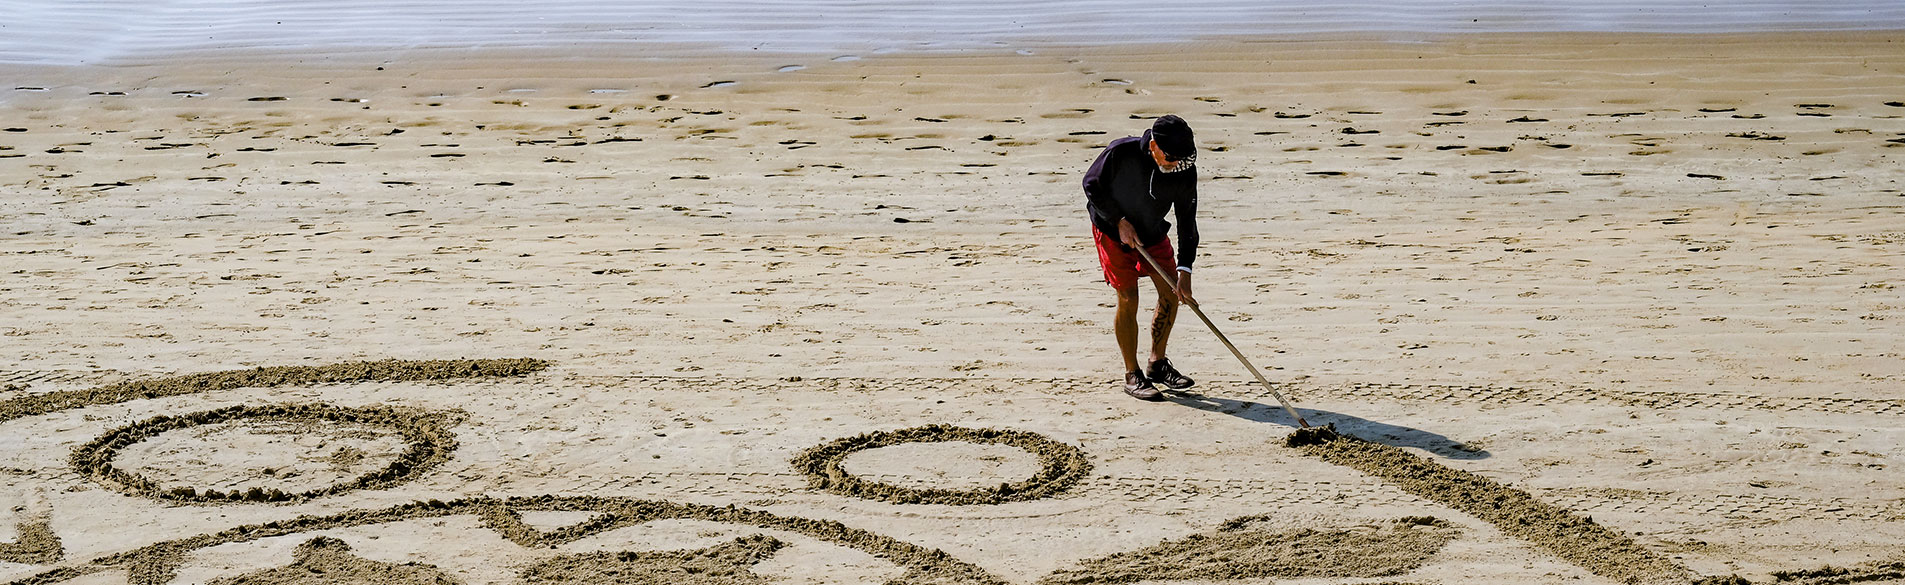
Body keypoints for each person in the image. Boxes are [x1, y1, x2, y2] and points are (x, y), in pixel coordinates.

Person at [1083, 114, 1200, 401]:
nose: (1175, 166)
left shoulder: (1183, 170)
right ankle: (1132, 374)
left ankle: (1157, 364)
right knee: (1128, 296)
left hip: (1151, 232)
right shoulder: (1120, 153)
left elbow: (1187, 221)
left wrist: (1185, 272)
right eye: (1171, 158)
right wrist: (1119, 220)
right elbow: (1091, 185)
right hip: (1111, 230)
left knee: (1172, 294)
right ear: (1154, 146)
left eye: (1183, 160)